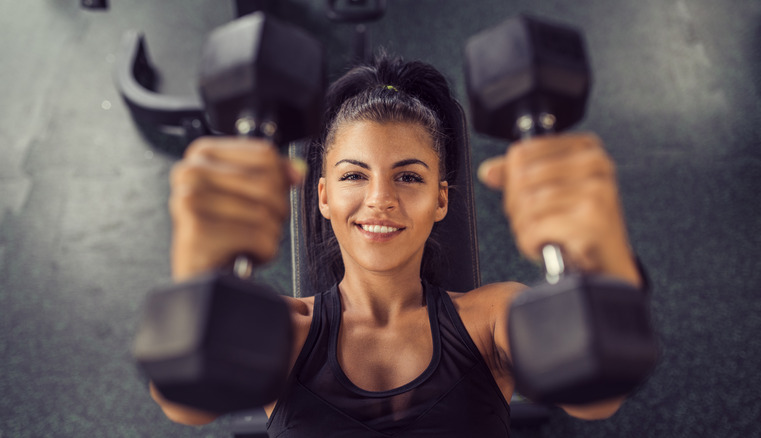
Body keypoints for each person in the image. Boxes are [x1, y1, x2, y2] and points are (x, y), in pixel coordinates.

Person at [150, 54, 645, 436]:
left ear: (441, 200)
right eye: (353, 176)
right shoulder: (283, 329)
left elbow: (598, 399)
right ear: (323, 196)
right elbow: (184, 405)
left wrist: (603, 257)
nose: (380, 199)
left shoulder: (493, 318)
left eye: (408, 176)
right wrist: (197, 272)